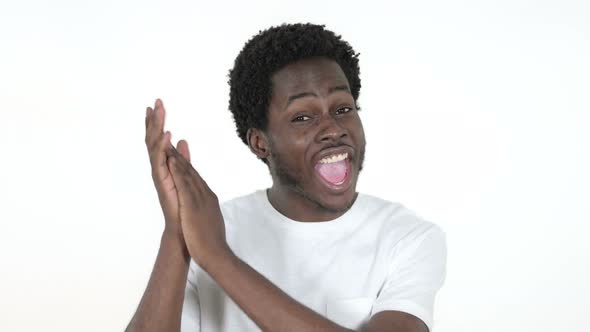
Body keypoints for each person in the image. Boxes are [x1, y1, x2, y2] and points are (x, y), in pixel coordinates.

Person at [126, 23, 447, 332]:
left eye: (343, 109)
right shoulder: (206, 227)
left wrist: (218, 257)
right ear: (260, 142)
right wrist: (177, 235)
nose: (334, 129)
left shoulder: (408, 238)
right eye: (303, 116)